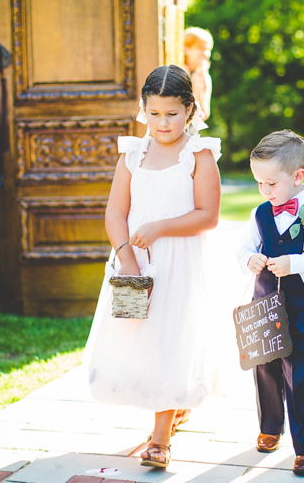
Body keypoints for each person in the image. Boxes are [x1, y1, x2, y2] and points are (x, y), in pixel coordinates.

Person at [82, 65, 221, 468]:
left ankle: (161, 438)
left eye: (173, 114)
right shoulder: (132, 154)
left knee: (170, 339)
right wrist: (125, 256)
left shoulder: (199, 155)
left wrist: (160, 226)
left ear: (190, 110)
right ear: (144, 109)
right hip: (135, 262)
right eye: (155, 113)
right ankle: (172, 408)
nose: (163, 123)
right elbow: (114, 212)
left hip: (180, 261)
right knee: (139, 338)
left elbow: (208, 215)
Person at [237, 130, 304, 476]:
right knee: (265, 368)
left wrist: (296, 263)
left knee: (301, 374)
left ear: (298, 176)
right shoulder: (260, 214)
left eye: (271, 183)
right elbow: (244, 248)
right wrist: (249, 260)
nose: (265, 191)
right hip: (265, 306)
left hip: (302, 309)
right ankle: (271, 426)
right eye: (259, 184)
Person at [183, 27, 213, 120]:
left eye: (208, 49)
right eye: (201, 48)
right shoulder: (176, 72)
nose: (206, 53)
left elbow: (203, 115)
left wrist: (197, 86)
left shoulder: (204, 77)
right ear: (186, 49)